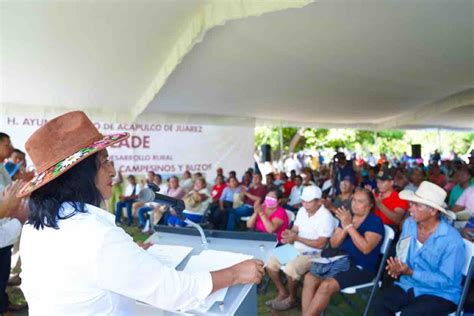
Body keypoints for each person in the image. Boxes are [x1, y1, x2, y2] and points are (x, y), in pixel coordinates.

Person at [17, 111, 264, 315]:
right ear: (79, 175)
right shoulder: (95, 236)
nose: (112, 171)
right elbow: (173, 291)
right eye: (104, 162)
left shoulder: (34, 227)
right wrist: (236, 272)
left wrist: (127, 255)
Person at [371, 181, 464, 316]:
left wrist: (411, 272)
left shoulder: (451, 240)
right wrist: (397, 267)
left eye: (417, 205)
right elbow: (402, 253)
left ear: (432, 211)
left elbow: (447, 281)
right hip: (409, 284)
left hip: (442, 294)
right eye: (411, 204)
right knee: (380, 303)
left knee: (410, 314)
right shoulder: (409, 224)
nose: (410, 208)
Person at [302, 188, 384, 315]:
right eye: (354, 200)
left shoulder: (375, 222)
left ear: (370, 205)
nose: (355, 204)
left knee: (326, 286)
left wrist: (349, 226)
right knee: (309, 278)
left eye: (360, 201)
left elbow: (365, 248)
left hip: (361, 267)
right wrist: (346, 226)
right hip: (340, 261)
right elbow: (334, 244)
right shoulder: (348, 218)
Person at [265, 186, 336, 311]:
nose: (305, 204)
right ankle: (283, 292)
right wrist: (289, 233)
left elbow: (321, 244)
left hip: (315, 254)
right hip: (297, 248)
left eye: (308, 201)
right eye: (303, 201)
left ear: (319, 201)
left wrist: (296, 238)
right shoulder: (303, 211)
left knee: (290, 268)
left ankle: (292, 299)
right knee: (270, 260)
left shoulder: (326, 217)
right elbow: (295, 229)